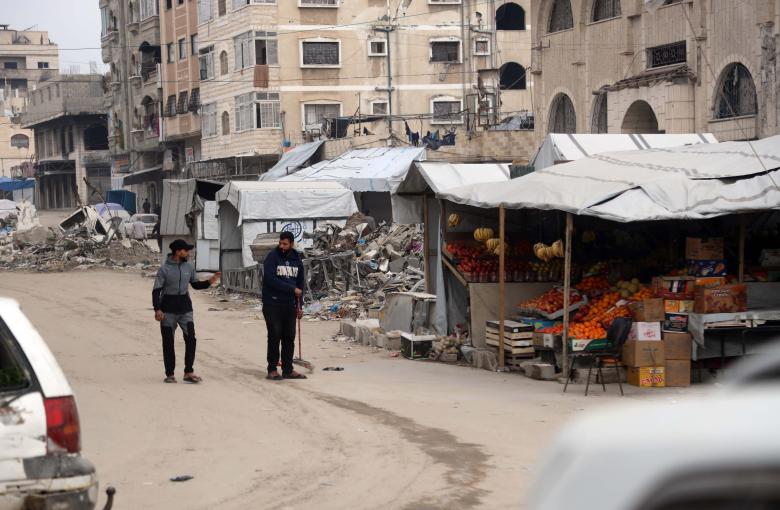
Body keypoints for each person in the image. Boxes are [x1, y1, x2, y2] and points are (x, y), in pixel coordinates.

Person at [152, 239, 220, 384]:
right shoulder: (164, 269)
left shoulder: (189, 266)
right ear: (178, 252)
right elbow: (156, 291)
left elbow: (195, 285)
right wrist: (157, 309)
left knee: (191, 339)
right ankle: (170, 374)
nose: (188, 253)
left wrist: (210, 281)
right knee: (168, 342)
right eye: (186, 250)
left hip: (185, 309)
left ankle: (188, 372)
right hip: (167, 310)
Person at [261, 231, 306, 381]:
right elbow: (270, 279)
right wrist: (291, 289)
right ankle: (272, 369)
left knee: (289, 337)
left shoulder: (296, 258)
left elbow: (300, 283)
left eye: (285, 244)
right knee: (274, 335)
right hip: (272, 303)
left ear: (291, 244)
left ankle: (288, 369)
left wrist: (300, 305)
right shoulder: (273, 256)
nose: (282, 246)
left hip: (289, 304)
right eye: (280, 243)